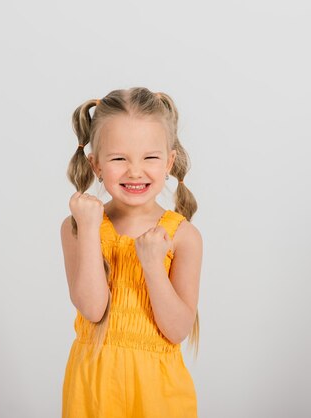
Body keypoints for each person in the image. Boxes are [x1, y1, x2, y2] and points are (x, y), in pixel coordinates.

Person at [60, 87, 202, 417]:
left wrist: (152, 266)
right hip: (94, 388)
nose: (135, 171)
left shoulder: (183, 236)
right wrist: (90, 229)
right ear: (95, 164)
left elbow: (178, 330)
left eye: (150, 157)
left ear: (169, 161)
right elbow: (93, 309)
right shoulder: (78, 227)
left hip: (159, 392)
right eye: (119, 158)